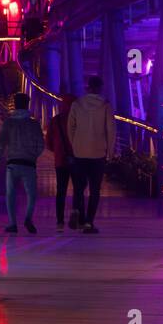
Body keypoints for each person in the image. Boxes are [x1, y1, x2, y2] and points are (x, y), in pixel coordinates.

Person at [67, 75, 116, 234]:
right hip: (98, 153)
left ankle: (77, 211)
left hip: (79, 152)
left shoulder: (77, 104)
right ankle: (88, 222)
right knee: (95, 190)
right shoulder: (105, 106)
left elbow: (71, 127)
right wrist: (110, 152)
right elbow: (111, 130)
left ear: (88, 87)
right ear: (100, 88)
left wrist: (75, 145)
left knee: (79, 187)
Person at [0, 92, 46, 234]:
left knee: (10, 194)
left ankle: (12, 224)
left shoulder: (8, 123)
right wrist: (33, 156)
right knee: (32, 194)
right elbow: (41, 144)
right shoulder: (34, 124)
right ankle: (28, 218)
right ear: (27, 105)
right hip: (29, 163)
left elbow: (1, 143)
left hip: (12, 164)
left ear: (15, 105)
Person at [46, 93, 77, 229]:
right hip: (77, 159)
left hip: (60, 160)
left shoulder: (55, 121)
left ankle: (59, 221)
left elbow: (48, 143)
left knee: (61, 190)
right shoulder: (79, 121)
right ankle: (77, 214)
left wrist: (58, 151)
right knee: (78, 188)